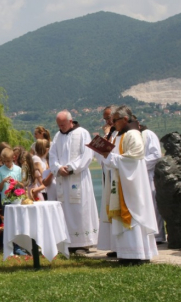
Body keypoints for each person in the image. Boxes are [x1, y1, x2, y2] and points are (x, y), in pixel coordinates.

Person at [99, 106, 158, 264]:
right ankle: (126, 254)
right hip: (120, 182)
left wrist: (109, 156)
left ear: (125, 119)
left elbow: (133, 159)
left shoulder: (133, 135)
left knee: (133, 217)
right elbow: (116, 158)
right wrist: (107, 155)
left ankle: (138, 254)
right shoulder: (119, 135)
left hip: (132, 184)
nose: (113, 123)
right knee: (122, 218)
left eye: (115, 120)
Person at [49, 110, 99, 253]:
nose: (61, 127)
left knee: (80, 209)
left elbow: (87, 154)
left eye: (63, 124)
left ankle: (83, 243)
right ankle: (68, 242)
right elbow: (52, 156)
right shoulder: (57, 136)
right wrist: (58, 168)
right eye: (59, 125)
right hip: (62, 180)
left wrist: (70, 168)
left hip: (78, 178)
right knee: (65, 210)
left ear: (71, 121)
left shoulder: (83, 133)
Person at [96, 105, 119, 256]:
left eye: (108, 118)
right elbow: (102, 158)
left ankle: (119, 246)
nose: (107, 122)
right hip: (108, 175)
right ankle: (113, 245)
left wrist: (106, 137)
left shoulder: (119, 134)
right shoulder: (111, 134)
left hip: (117, 176)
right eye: (105, 119)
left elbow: (113, 153)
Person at [140, 122, 165, 243]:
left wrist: (138, 165)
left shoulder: (148, 134)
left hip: (148, 175)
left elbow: (156, 155)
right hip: (137, 176)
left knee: (153, 205)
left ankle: (157, 235)